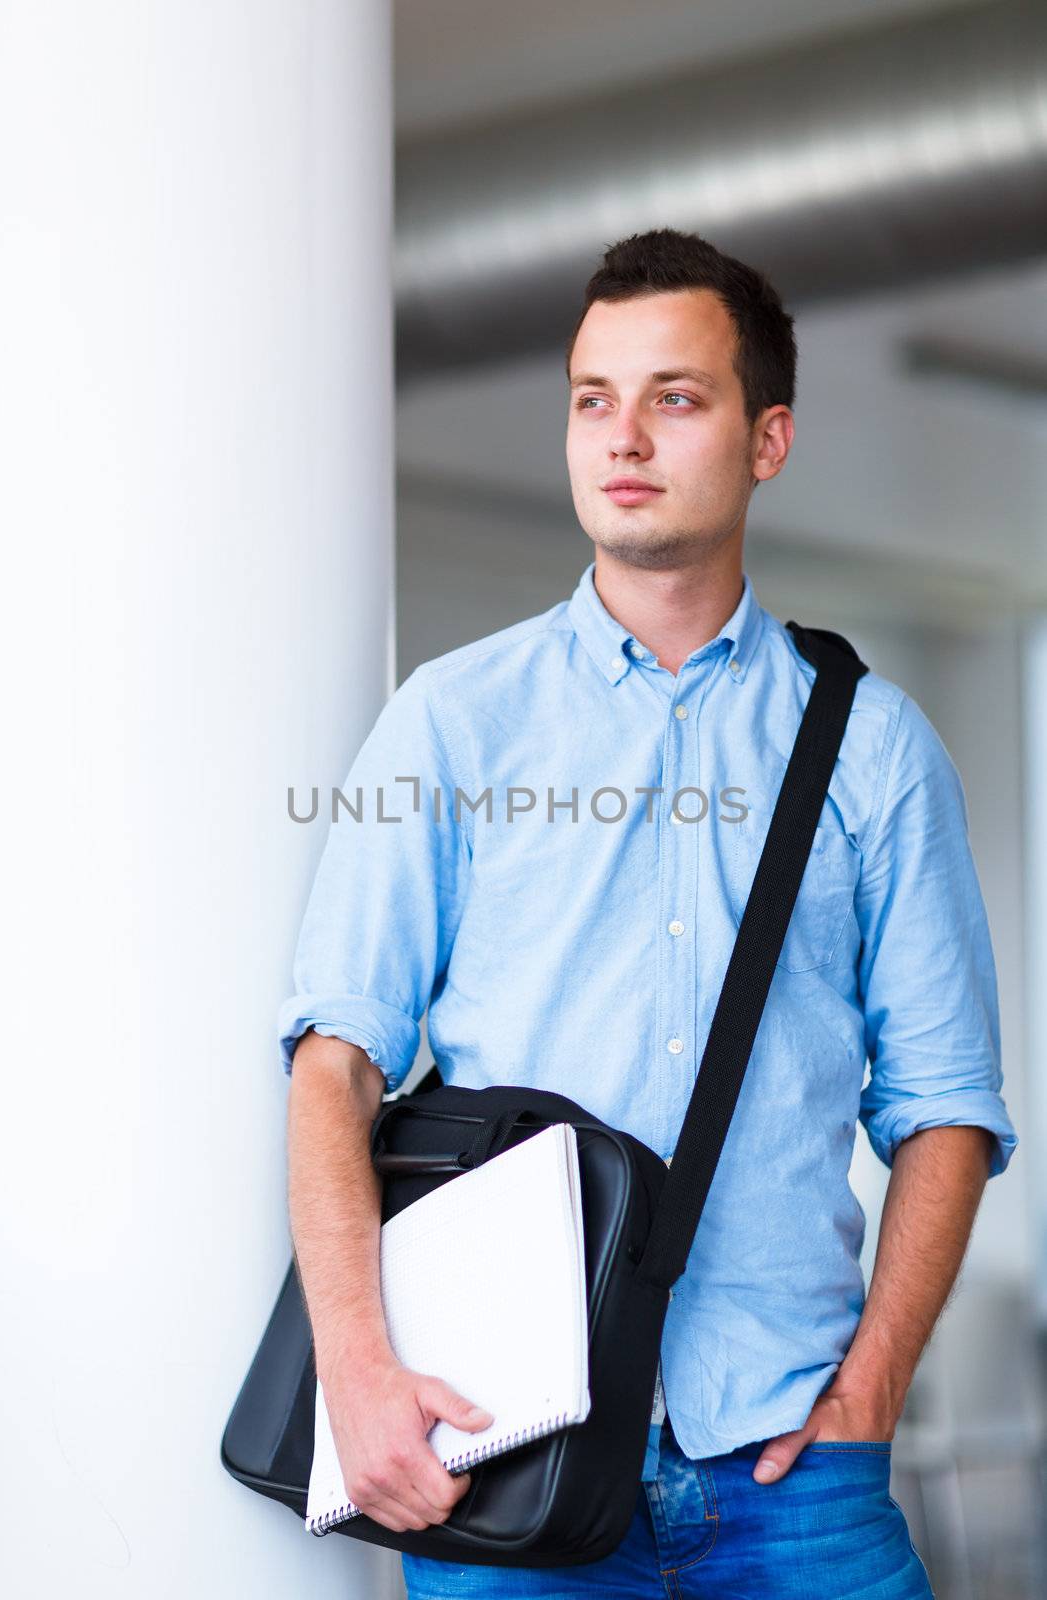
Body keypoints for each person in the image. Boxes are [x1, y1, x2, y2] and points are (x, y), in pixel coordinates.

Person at [279, 229, 1018, 1598]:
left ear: (767, 438)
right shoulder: (455, 720)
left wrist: (871, 1394)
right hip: (510, 1463)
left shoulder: (871, 747)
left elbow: (948, 1108)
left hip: (796, 1474)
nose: (622, 436)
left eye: (675, 397)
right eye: (591, 398)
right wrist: (359, 1374)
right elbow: (334, 1064)